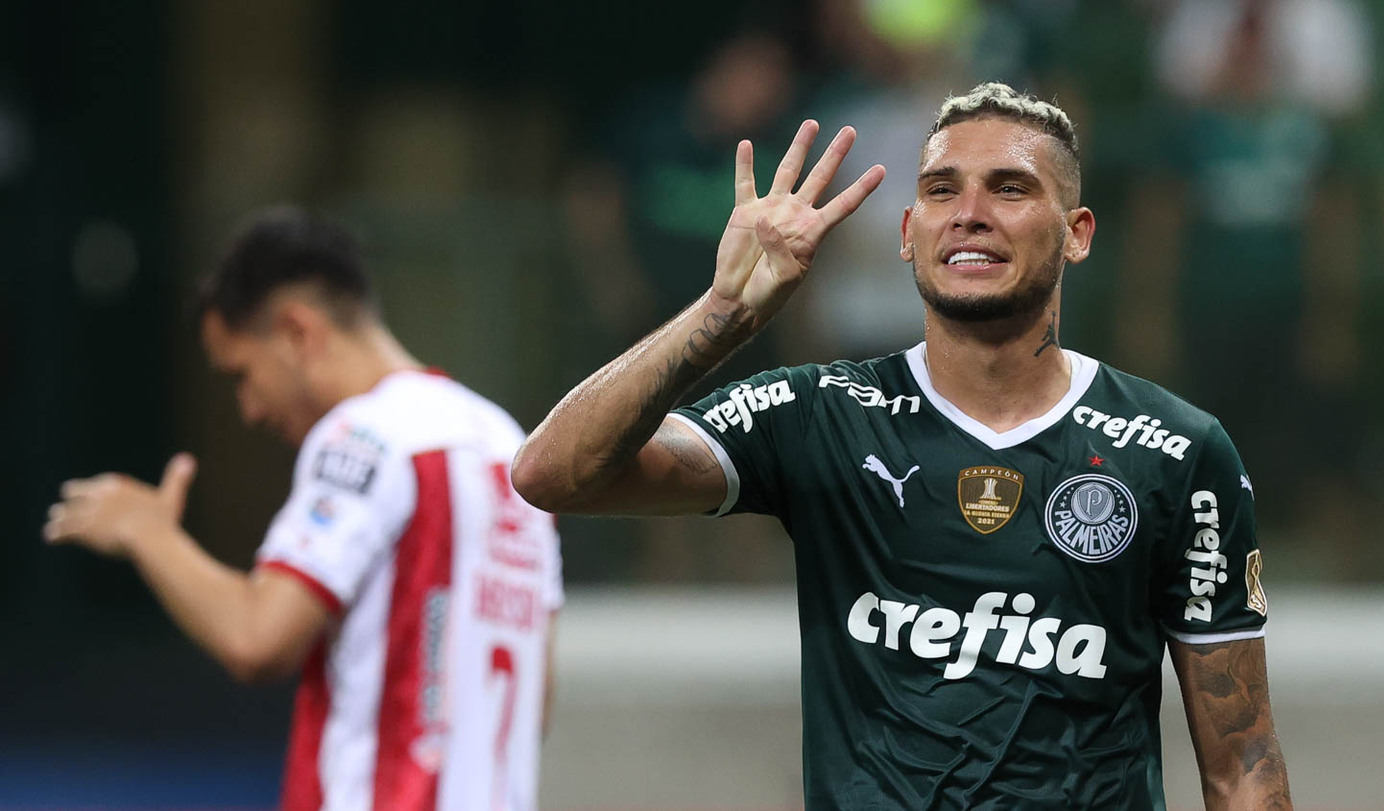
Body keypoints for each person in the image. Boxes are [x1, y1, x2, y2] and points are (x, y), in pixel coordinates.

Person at [512, 83, 1290, 808]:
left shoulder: (1178, 451)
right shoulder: (820, 413)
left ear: (1077, 234)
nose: (970, 212)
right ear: (908, 233)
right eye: (942, 189)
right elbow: (552, 472)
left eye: (1010, 188)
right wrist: (724, 315)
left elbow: (1243, 761)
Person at [44, 207, 564, 811]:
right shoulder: (512, 447)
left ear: (296, 332)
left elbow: (256, 639)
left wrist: (147, 532)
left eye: (241, 374)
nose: (250, 410)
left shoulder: (366, 436)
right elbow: (538, 697)